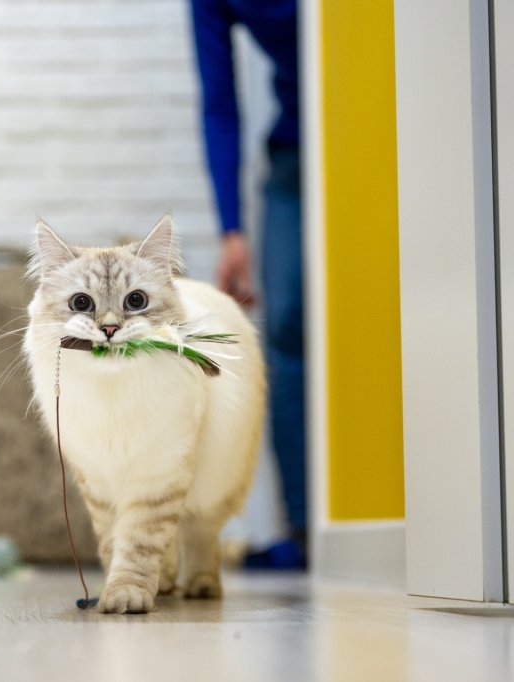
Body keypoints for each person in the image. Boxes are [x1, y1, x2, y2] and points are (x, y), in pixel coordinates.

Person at [189, 0, 306, 568]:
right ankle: (307, 530)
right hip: (294, 155)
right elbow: (219, 102)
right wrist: (231, 227)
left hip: (375, 125)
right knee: (285, 327)